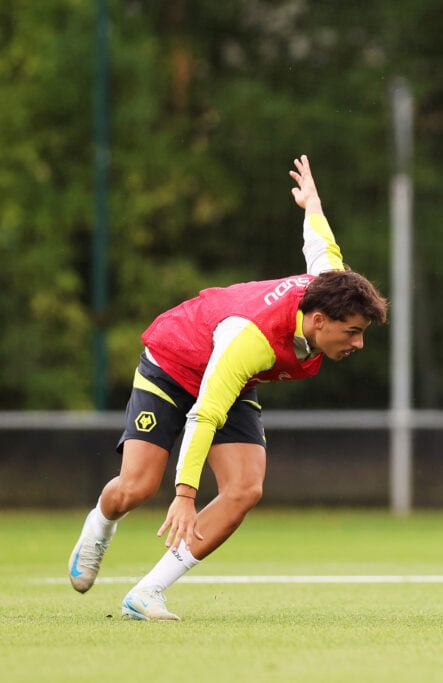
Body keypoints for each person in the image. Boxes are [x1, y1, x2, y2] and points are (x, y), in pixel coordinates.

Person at [68, 155, 388, 620]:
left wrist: (312, 204)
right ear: (319, 321)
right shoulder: (251, 339)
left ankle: (147, 593)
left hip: (227, 376)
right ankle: (99, 525)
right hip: (174, 361)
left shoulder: (328, 287)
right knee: (136, 488)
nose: (358, 342)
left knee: (244, 488)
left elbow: (321, 245)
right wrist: (183, 495)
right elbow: (205, 414)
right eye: (353, 332)